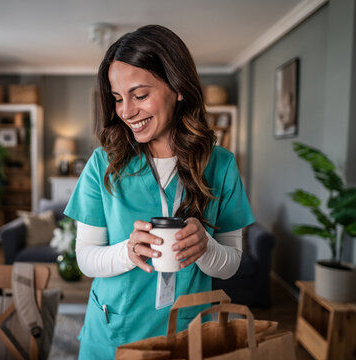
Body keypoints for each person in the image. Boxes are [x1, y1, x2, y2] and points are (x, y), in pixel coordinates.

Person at [64, 24, 254, 359]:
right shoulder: (102, 164)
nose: (125, 112)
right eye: (118, 98)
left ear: (179, 88)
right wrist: (128, 251)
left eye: (139, 96)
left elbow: (232, 262)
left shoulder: (220, 165)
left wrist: (205, 247)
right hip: (113, 334)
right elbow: (85, 258)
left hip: (187, 334)